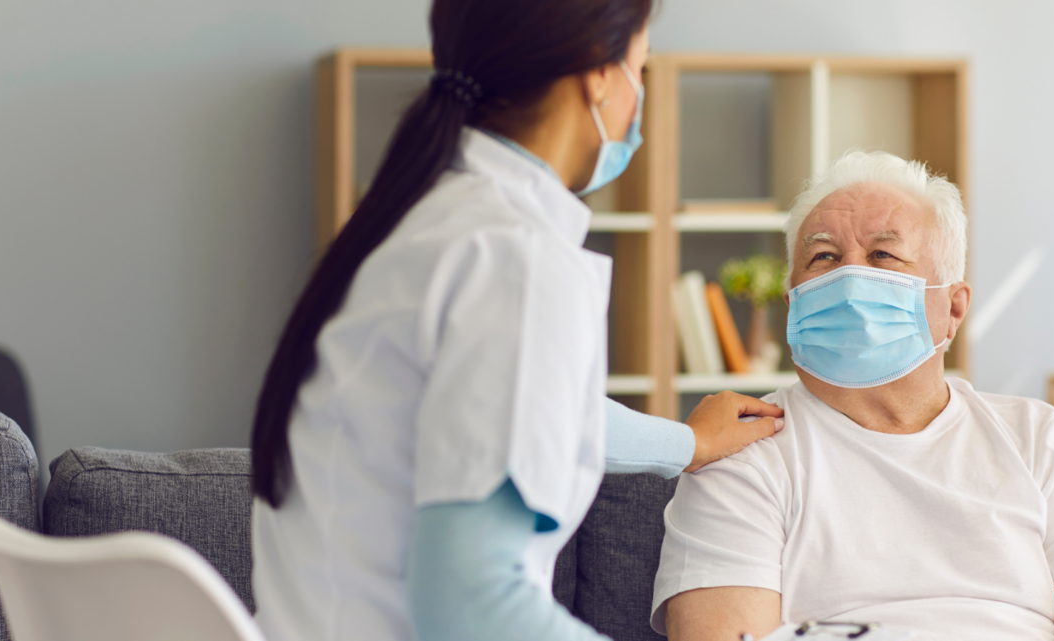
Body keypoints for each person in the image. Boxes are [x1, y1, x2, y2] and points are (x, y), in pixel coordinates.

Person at [248, 1, 784, 641]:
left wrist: (686, 446)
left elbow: (521, 413)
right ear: (599, 77)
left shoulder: (421, 225)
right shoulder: (516, 260)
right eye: (640, 66)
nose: (640, 94)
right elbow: (474, 607)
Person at [652, 151, 1054, 641]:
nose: (849, 277)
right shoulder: (741, 451)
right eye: (823, 257)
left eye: (883, 255)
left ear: (954, 307)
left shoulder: (1040, 439)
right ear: (792, 302)